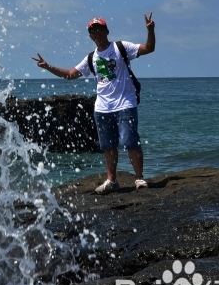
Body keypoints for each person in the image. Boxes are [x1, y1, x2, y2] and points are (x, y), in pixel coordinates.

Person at [31, 13, 156, 194]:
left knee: (131, 142)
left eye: (99, 29)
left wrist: (150, 30)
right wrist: (47, 66)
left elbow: (149, 48)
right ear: (90, 36)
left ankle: (139, 178)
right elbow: (70, 75)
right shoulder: (91, 58)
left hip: (125, 104)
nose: (96, 33)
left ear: (106, 31)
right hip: (102, 108)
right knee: (108, 146)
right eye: (93, 31)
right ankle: (111, 180)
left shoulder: (120, 47)